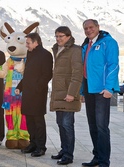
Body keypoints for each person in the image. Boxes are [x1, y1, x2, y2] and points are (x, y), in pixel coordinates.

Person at [81, 19, 119, 167]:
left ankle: (104, 161)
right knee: (92, 125)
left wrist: (109, 88)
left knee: (102, 126)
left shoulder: (108, 42)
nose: (88, 30)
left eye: (91, 27)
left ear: (98, 27)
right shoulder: (86, 45)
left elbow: (113, 65)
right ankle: (96, 157)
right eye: (85, 28)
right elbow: (84, 69)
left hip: (102, 90)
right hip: (89, 90)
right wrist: (82, 91)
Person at [15, 33, 53, 157]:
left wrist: (37, 88)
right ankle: (33, 143)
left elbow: (47, 74)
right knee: (29, 120)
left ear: (36, 42)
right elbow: (27, 74)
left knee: (38, 121)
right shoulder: (30, 54)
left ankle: (41, 147)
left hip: (38, 94)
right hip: (28, 93)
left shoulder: (46, 55)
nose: (26, 45)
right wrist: (20, 87)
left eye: (28, 43)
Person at [49, 26, 83, 165]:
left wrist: (71, 93)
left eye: (61, 36)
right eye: (56, 36)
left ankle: (69, 155)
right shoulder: (57, 49)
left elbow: (77, 73)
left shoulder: (75, 50)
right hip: (58, 93)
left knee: (67, 124)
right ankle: (64, 150)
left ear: (68, 36)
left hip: (68, 94)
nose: (58, 39)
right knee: (60, 124)